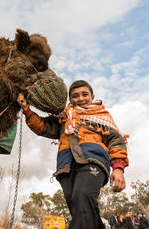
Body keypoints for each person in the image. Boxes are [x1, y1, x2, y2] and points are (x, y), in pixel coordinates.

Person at [17, 80, 129, 229]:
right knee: (79, 207)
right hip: (66, 166)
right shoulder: (63, 118)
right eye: (75, 96)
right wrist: (26, 109)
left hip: (93, 161)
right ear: (70, 100)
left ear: (92, 96)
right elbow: (43, 126)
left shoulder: (102, 117)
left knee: (82, 195)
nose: (81, 98)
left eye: (85, 94)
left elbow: (117, 142)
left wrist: (118, 168)